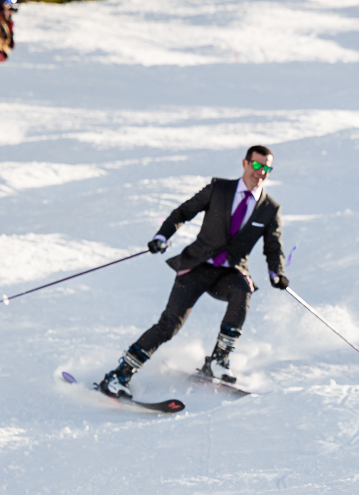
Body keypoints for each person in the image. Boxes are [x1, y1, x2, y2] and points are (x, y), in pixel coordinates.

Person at [100, 146, 286, 397]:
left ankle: (218, 360)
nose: (260, 172)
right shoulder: (219, 189)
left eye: (266, 168)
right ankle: (119, 374)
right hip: (197, 266)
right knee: (169, 325)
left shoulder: (269, 209)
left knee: (244, 289)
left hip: (230, 273)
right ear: (245, 163)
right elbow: (183, 212)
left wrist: (277, 272)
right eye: (257, 165)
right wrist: (162, 236)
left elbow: (273, 247)